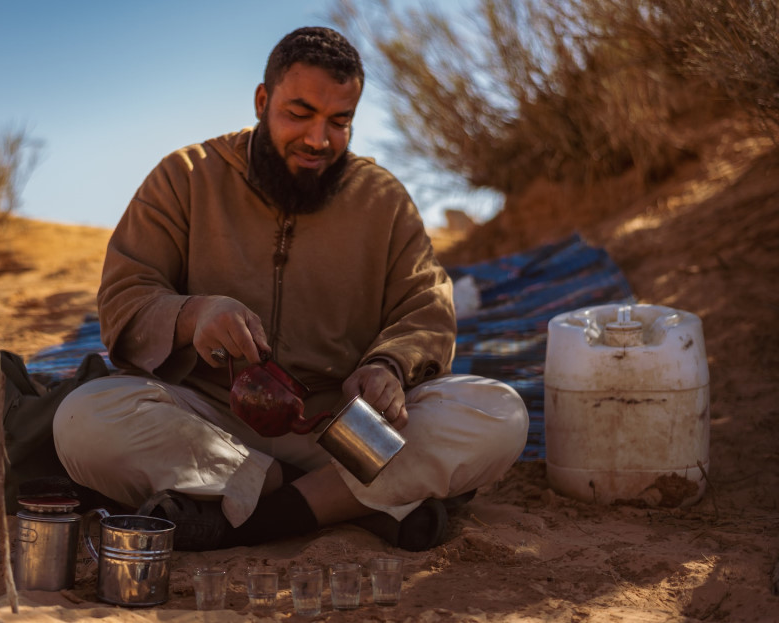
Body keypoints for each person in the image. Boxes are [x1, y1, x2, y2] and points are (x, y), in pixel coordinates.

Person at [53, 26, 528, 551]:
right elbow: (125, 297)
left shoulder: (383, 200)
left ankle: (252, 517)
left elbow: (426, 307)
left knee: (498, 414)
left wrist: (388, 365)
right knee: (82, 421)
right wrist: (194, 314)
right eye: (299, 114)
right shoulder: (185, 178)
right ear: (262, 100)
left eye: (339, 122)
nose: (318, 140)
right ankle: (338, 501)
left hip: (342, 433)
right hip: (207, 423)